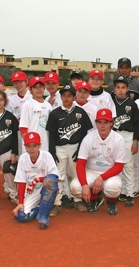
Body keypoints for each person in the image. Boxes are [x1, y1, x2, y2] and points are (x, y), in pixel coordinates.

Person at [47, 85, 93, 215]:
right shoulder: (55, 113)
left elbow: (85, 133)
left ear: (74, 97)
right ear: (60, 97)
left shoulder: (80, 112)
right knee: (59, 176)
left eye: (69, 95)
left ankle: (78, 200)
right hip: (59, 147)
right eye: (64, 95)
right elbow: (51, 133)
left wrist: (80, 150)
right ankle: (57, 202)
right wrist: (52, 150)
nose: (66, 98)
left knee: (76, 174)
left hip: (75, 146)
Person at [70, 108, 126, 215]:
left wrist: (101, 177)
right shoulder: (89, 138)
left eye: (106, 122)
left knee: (113, 189)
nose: (102, 125)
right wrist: (85, 185)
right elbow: (80, 164)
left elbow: (119, 166)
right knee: (75, 188)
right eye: (99, 122)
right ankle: (95, 198)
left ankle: (111, 202)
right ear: (96, 123)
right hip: (91, 171)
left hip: (110, 172)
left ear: (111, 123)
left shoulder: (118, 139)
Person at [12, 132, 59, 229]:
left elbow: (54, 176)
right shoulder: (23, 158)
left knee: (51, 181)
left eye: (34, 145)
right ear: (25, 146)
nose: (31, 148)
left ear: (39, 145)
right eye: (28, 146)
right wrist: (20, 203)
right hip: (31, 191)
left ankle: (43, 216)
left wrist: (37, 179)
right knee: (20, 216)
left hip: (46, 188)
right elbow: (21, 182)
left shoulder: (47, 156)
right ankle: (40, 207)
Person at [111, 76, 139, 207]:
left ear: (127, 89)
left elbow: (136, 124)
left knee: (128, 165)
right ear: (114, 89)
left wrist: (135, 142)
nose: (120, 90)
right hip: (115, 135)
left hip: (128, 136)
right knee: (116, 165)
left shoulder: (132, 104)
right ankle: (121, 191)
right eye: (118, 87)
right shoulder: (111, 103)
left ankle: (130, 193)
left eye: (123, 88)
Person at [19, 76, 52, 152]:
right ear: (30, 89)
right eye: (35, 87)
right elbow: (23, 128)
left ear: (44, 88)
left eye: (41, 86)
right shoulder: (27, 104)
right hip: (31, 145)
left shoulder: (48, 106)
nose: (38, 89)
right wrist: (28, 145)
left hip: (44, 145)